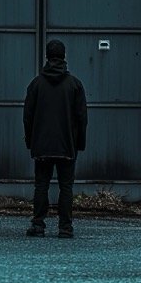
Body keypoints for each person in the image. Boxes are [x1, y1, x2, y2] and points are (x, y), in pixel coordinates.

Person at [23, 39, 88, 238]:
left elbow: (28, 116)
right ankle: (65, 227)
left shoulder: (36, 84)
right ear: (64, 56)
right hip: (67, 145)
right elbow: (82, 118)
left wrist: (30, 141)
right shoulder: (75, 85)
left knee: (41, 185)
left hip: (42, 145)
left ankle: (38, 225)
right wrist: (79, 143)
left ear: (47, 56)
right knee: (66, 186)